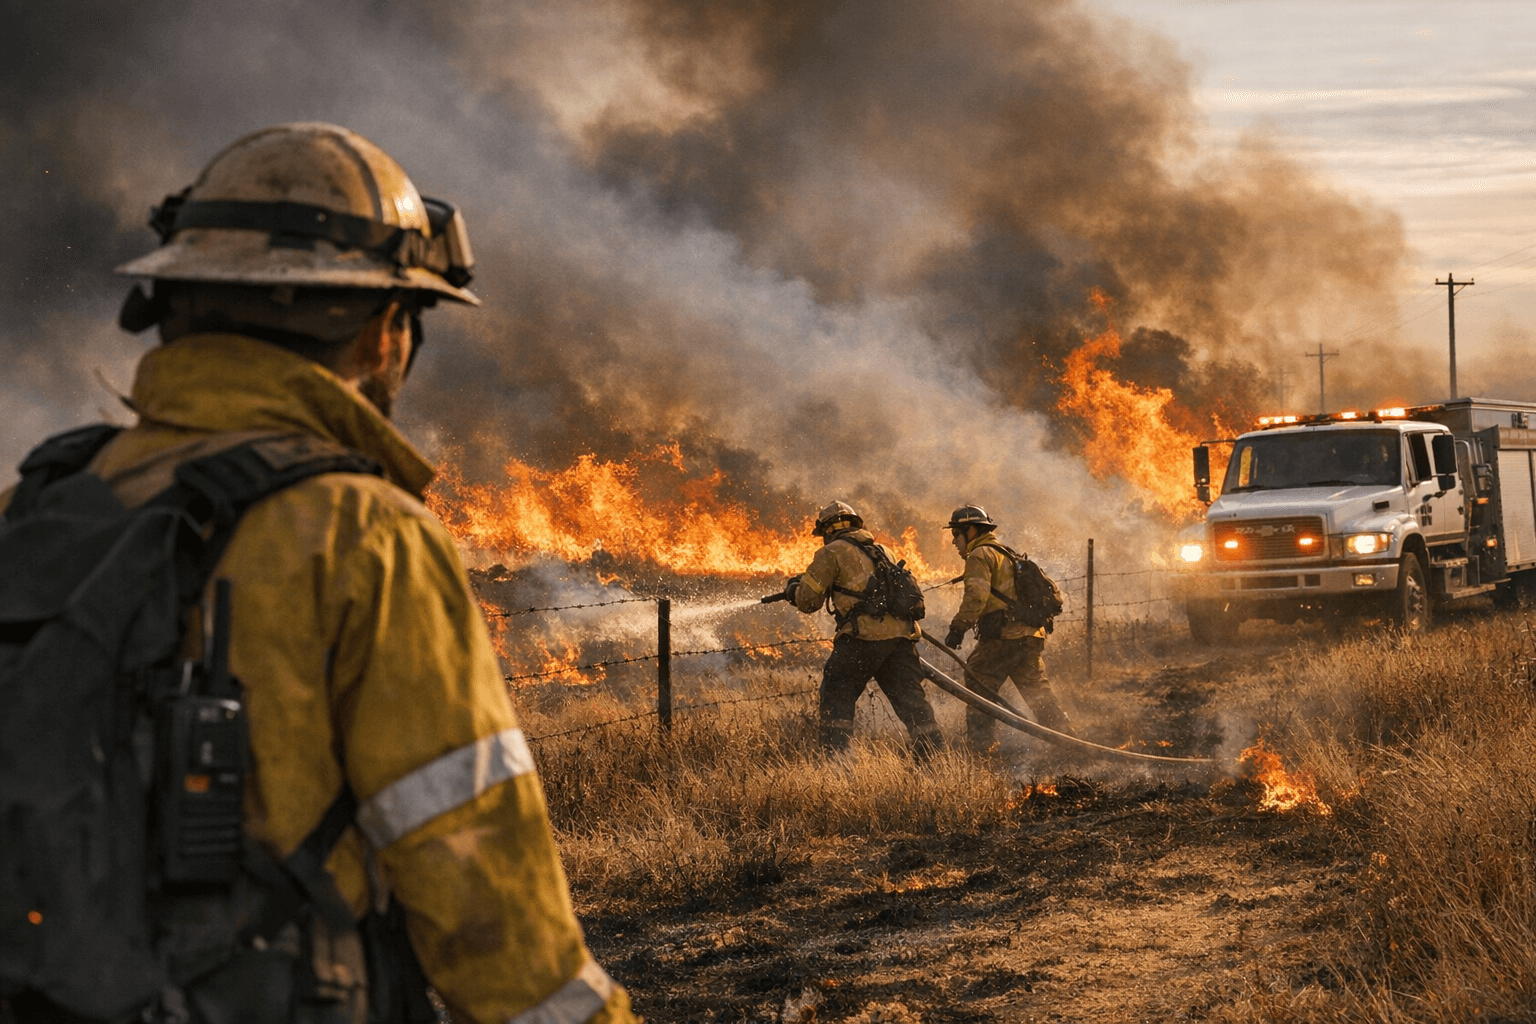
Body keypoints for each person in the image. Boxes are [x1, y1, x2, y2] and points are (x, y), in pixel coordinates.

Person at [2, 124, 633, 1024]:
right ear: (384, 330)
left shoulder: (32, 507)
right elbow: (485, 901)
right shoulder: (362, 535)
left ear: (174, 305)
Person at [786, 500, 944, 757]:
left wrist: (794, 590)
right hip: (901, 638)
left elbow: (808, 601)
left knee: (837, 693)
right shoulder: (884, 550)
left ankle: (836, 759)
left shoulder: (831, 552)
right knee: (912, 703)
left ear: (827, 530)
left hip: (862, 639)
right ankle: (933, 759)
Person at [943, 504, 1073, 751]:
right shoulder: (1003, 552)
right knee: (1038, 692)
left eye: (955, 534)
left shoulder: (980, 555)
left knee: (979, 680)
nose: (953, 542)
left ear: (970, 531)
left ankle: (981, 747)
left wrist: (958, 627)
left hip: (1005, 637)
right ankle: (1068, 741)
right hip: (1029, 636)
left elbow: (976, 597)